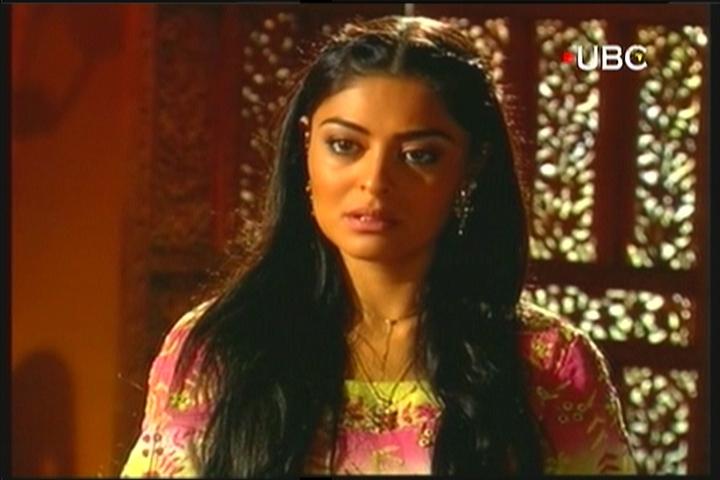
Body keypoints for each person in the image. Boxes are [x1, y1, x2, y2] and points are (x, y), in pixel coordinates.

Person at [120, 15, 637, 476]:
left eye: (419, 155)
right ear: (306, 146)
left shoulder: (547, 365)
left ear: (471, 167)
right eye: (345, 146)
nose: (375, 182)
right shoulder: (220, 348)